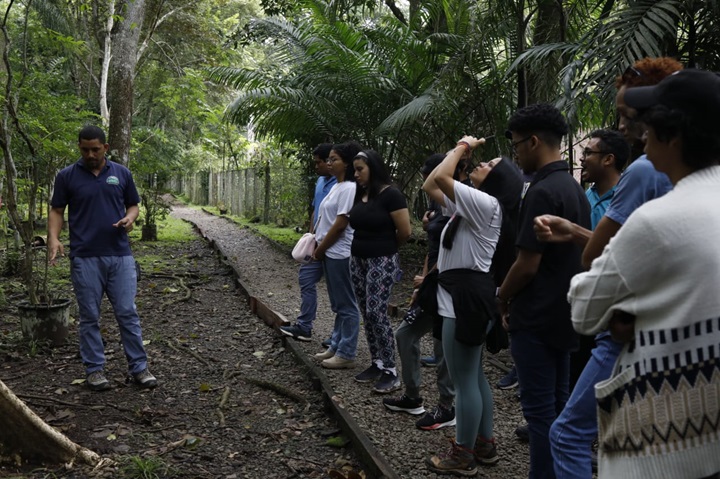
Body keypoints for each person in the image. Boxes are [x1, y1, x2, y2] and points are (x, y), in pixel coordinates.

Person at [568, 68, 720, 479]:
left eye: (650, 121)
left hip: (661, 443)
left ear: (673, 134)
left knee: (568, 431)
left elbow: (584, 309)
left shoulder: (655, 220)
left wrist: (626, 303)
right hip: (710, 432)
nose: (639, 130)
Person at [534, 57, 681, 479]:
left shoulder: (641, 170)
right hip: (671, 320)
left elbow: (597, 253)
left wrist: (575, 235)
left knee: (567, 432)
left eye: (626, 115)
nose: (622, 125)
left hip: (625, 322)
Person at [497, 103, 591, 479]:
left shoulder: (539, 190)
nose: (517, 154)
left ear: (534, 141)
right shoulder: (573, 188)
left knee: (538, 414)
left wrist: (501, 296)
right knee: (558, 407)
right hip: (565, 314)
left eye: (518, 145)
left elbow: (527, 263)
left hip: (535, 316)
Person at [47, 125, 157, 391]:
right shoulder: (67, 176)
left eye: (95, 149)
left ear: (105, 148)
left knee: (127, 312)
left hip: (120, 255)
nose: (90, 154)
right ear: (79, 148)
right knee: (89, 316)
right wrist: (53, 237)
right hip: (85, 256)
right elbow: (57, 210)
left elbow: (133, 205)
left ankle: (139, 368)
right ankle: (95, 370)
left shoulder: (121, 174)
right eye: (85, 149)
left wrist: (130, 219)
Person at [422, 137, 503, 476]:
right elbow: (431, 183)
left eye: (492, 166)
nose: (482, 165)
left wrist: (460, 147)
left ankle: (464, 454)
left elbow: (441, 178)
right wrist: (460, 154)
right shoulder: (468, 207)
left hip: (464, 301)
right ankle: (484, 443)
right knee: (473, 374)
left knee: (464, 379)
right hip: (460, 297)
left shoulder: (486, 204)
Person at [383, 153, 456, 428]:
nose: (428, 183)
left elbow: (455, 251)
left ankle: (446, 406)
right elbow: (433, 248)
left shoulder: (463, 203)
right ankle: (413, 397)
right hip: (431, 285)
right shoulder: (438, 208)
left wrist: (428, 277)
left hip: (449, 286)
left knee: (443, 349)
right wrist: (424, 280)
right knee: (405, 334)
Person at [348, 149, 411, 393]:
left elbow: (404, 232)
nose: (356, 174)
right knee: (366, 311)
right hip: (358, 260)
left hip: (381, 260)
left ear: (373, 168)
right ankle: (376, 362)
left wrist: (386, 250)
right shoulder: (360, 194)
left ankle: (391, 370)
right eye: (354, 169)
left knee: (377, 312)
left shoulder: (391, 195)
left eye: (360, 169)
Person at [312, 141, 363, 369]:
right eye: (329, 159)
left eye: (335, 159)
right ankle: (335, 345)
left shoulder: (351, 188)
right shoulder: (336, 186)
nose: (330, 163)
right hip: (330, 250)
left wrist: (321, 249)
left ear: (348, 163)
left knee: (346, 304)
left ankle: (347, 352)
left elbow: (341, 223)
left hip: (340, 252)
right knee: (337, 303)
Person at [280, 143, 336, 341]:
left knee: (337, 293)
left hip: (335, 246)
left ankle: (337, 337)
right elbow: (316, 209)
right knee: (306, 279)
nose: (316, 166)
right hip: (317, 242)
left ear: (330, 163)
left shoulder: (343, 185)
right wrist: (311, 235)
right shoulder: (320, 181)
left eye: (318, 162)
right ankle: (305, 326)